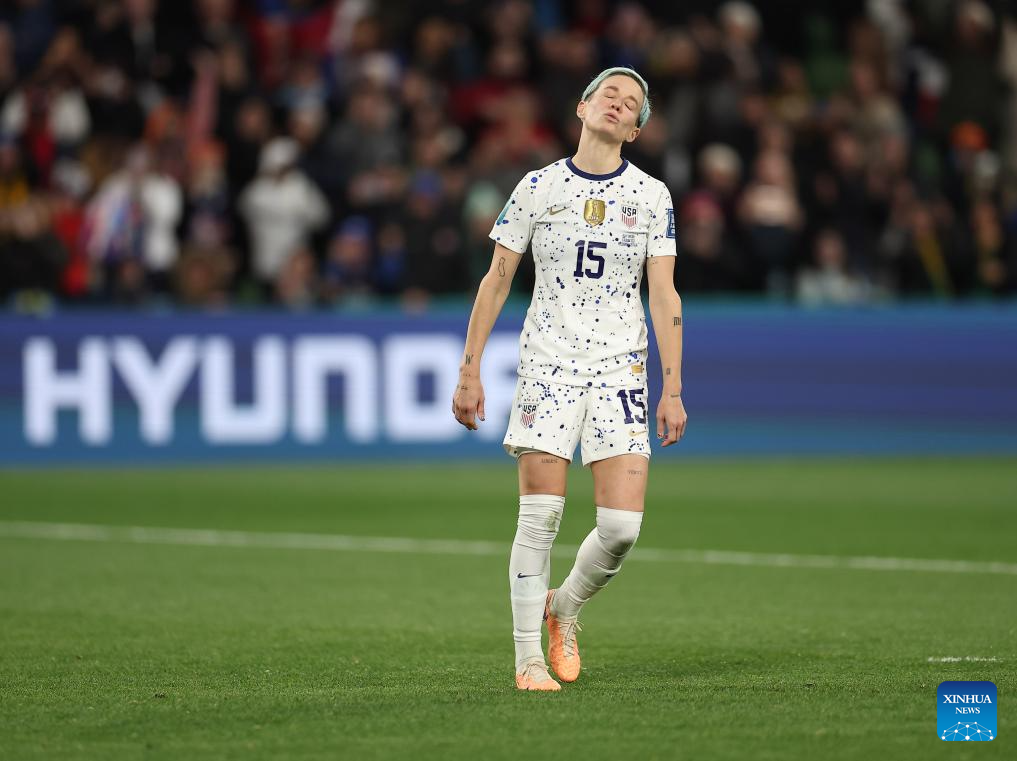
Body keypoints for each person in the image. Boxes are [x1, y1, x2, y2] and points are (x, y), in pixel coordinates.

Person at [452, 67, 687, 691]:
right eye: (609, 93)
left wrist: (672, 388)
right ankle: (528, 660)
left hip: (620, 368)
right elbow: (497, 279)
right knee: (540, 518)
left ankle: (564, 607)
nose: (618, 103)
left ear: (634, 131)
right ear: (582, 107)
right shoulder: (537, 187)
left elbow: (664, 294)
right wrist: (470, 369)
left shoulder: (652, 196)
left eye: (631, 104)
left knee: (621, 530)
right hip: (548, 365)